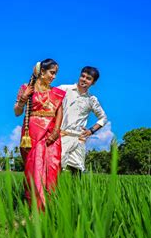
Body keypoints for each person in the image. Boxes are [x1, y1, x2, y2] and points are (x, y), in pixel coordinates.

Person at [14, 58, 65, 209]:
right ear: (42, 72)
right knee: (34, 168)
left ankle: (49, 208)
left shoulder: (56, 93)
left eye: (55, 74)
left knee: (52, 168)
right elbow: (17, 112)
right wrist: (23, 98)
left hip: (52, 134)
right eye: (52, 73)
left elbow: (59, 113)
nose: (54, 77)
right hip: (33, 134)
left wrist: (56, 132)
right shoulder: (27, 88)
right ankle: (34, 209)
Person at [58, 66, 108, 175]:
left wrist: (91, 131)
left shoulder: (92, 99)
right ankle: (54, 192)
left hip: (78, 138)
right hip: (62, 136)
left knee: (77, 170)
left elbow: (103, 118)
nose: (84, 80)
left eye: (88, 78)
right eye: (83, 76)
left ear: (93, 82)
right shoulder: (64, 89)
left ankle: (75, 192)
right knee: (57, 168)